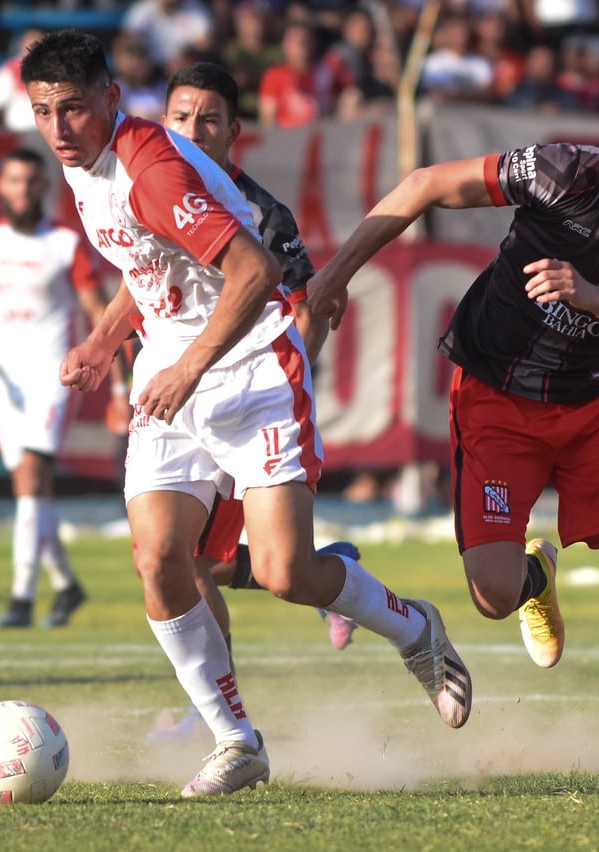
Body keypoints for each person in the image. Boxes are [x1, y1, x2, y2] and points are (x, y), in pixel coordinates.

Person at [19, 30, 472, 798]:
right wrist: (104, 339)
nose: (58, 128)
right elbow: (148, 262)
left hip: (252, 366)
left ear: (109, 100)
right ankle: (236, 741)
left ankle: (415, 629)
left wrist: (190, 366)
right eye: (42, 113)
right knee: (161, 558)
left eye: (71, 109)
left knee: (283, 573)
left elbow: (256, 272)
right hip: (171, 374)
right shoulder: (84, 168)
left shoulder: (150, 170)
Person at [308, 55, 599, 797]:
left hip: (594, 405)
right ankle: (535, 575)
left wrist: (589, 293)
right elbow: (424, 186)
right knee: (493, 597)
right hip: (494, 399)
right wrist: (333, 277)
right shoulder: (561, 170)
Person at [145, 60, 360, 744]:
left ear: (235, 131)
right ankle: (219, 711)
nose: (192, 130)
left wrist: (277, 387)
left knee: (207, 563)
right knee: (189, 560)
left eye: (208, 119)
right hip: (186, 405)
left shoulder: (262, 214)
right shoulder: (149, 192)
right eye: (180, 117)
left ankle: (217, 716)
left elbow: (311, 307)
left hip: (248, 401)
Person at [0, 146, 109, 630]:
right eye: (14, 180)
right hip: (2, 378)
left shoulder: (66, 244)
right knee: (32, 489)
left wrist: (121, 379)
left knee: (31, 478)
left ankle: (21, 596)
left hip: (53, 377)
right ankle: (67, 584)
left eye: (31, 182)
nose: (23, 190)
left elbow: (100, 311)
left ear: (43, 187)